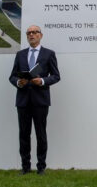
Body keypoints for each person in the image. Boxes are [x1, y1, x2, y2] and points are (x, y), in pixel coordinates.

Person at [9, 25, 60, 176]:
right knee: (24, 134)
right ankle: (25, 167)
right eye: (29, 33)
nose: (31, 35)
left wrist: (43, 81)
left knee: (40, 134)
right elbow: (12, 76)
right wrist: (19, 82)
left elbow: (56, 76)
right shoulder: (20, 55)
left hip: (40, 101)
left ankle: (41, 167)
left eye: (34, 32)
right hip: (23, 101)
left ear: (40, 35)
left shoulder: (49, 54)